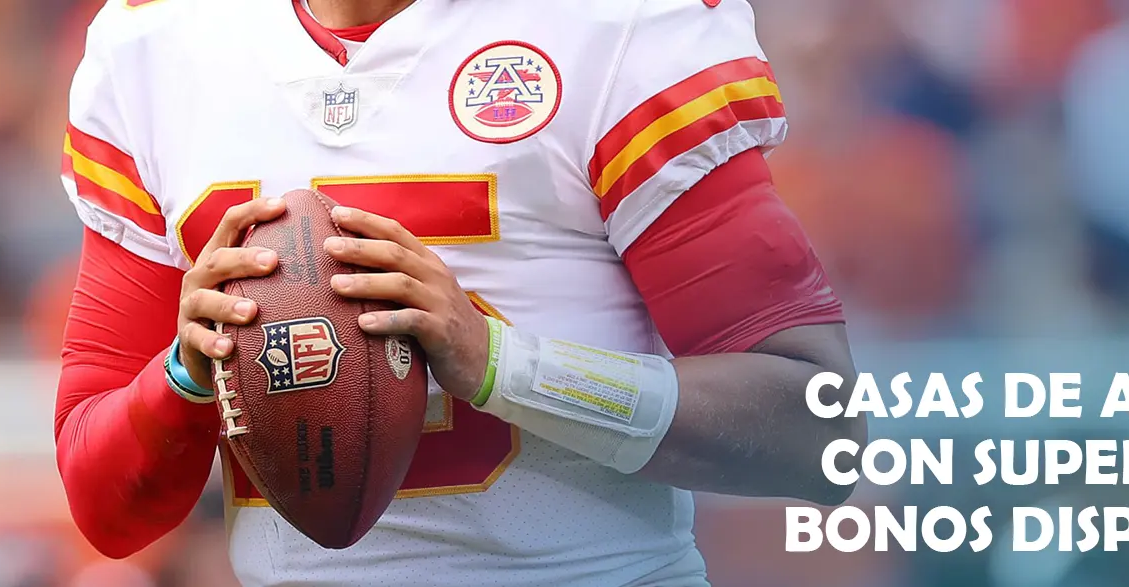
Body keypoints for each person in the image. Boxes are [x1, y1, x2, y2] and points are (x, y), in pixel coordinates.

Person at [52, 0, 862, 584]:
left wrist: (503, 364)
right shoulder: (154, 46)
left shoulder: (616, 26)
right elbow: (105, 507)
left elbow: (820, 428)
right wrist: (186, 374)